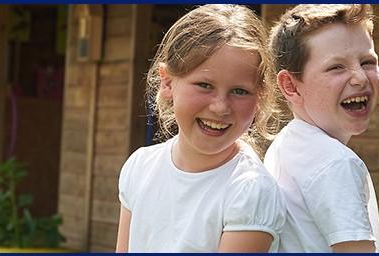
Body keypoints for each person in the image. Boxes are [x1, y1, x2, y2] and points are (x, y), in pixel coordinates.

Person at [114, 4, 288, 252]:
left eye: (239, 91)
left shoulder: (250, 190)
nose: (220, 107)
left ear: (260, 99)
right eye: (205, 85)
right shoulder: (140, 167)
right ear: (167, 83)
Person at [263, 4, 379, 253]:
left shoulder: (286, 146)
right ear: (290, 86)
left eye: (367, 62)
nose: (360, 77)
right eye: (336, 67)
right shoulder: (335, 164)